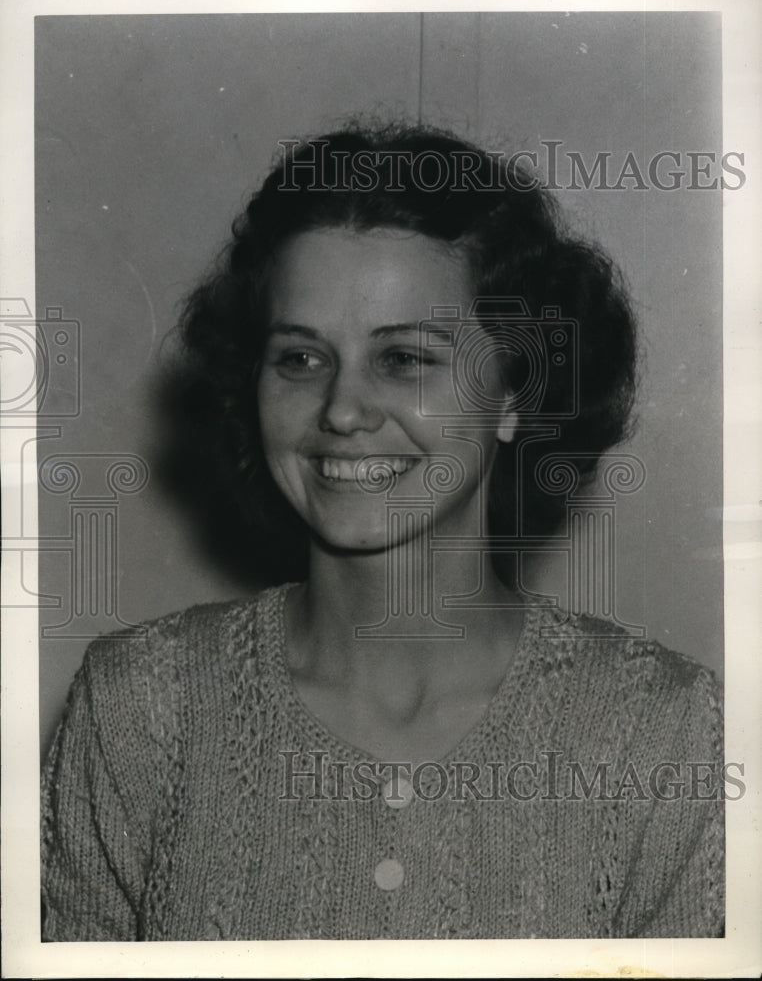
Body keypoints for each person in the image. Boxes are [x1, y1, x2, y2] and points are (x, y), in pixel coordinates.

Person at [41, 122, 724, 941]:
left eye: (403, 359)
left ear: (515, 393)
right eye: (300, 358)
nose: (341, 410)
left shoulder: (659, 730)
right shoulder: (139, 706)